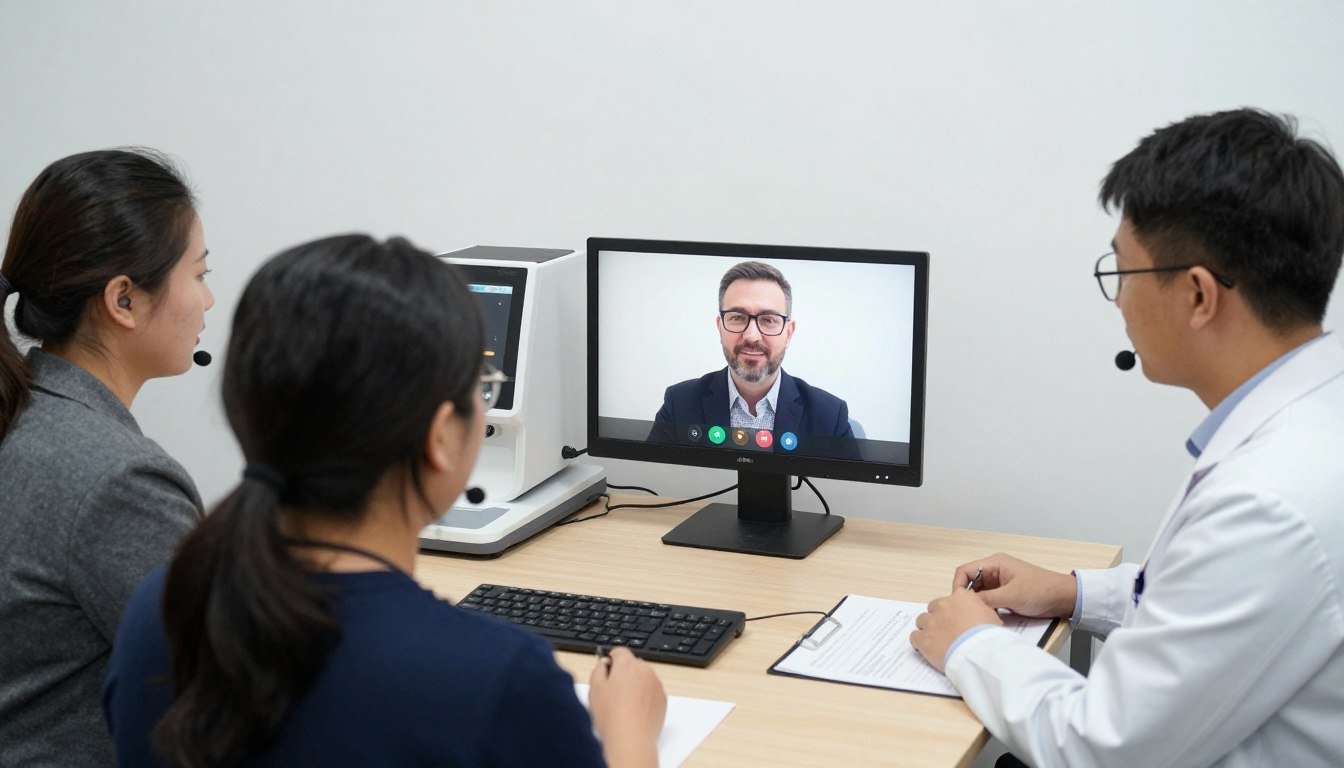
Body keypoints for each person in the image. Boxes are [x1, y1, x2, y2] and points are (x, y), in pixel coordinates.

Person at [102, 235, 667, 767]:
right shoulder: (498, 677)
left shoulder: (160, 610)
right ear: (441, 435)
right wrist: (630, 735)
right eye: (484, 381)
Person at [910, 108, 1344, 767]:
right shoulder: (1312, 422)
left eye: (1124, 273)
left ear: (1199, 295)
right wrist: (1076, 592)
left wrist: (971, 644)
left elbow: (1100, 746)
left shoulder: (1270, 504)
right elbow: (1219, 606)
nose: (1118, 302)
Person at [0, 149, 212, 768]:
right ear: (124, 300)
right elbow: (236, 683)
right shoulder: (116, 480)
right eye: (198, 274)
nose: (210, 299)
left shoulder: (27, 415)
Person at [649, 260, 856, 456]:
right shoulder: (679, 404)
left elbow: (850, 491)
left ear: (789, 333)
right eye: (737, 318)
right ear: (720, 327)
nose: (751, 336)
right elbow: (653, 478)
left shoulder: (829, 416)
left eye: (768, 320)